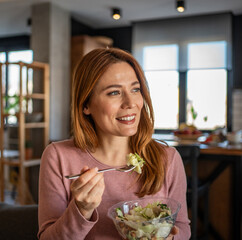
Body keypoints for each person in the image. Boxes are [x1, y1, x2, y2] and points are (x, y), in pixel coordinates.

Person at [37, 48, 191, 240]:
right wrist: (81, 210)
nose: (130, 102)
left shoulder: (167, 158)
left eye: (135, 89)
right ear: (86, 104)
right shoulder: (58, 156)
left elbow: (182, 227)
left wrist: (170, 238)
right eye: (114, 92)